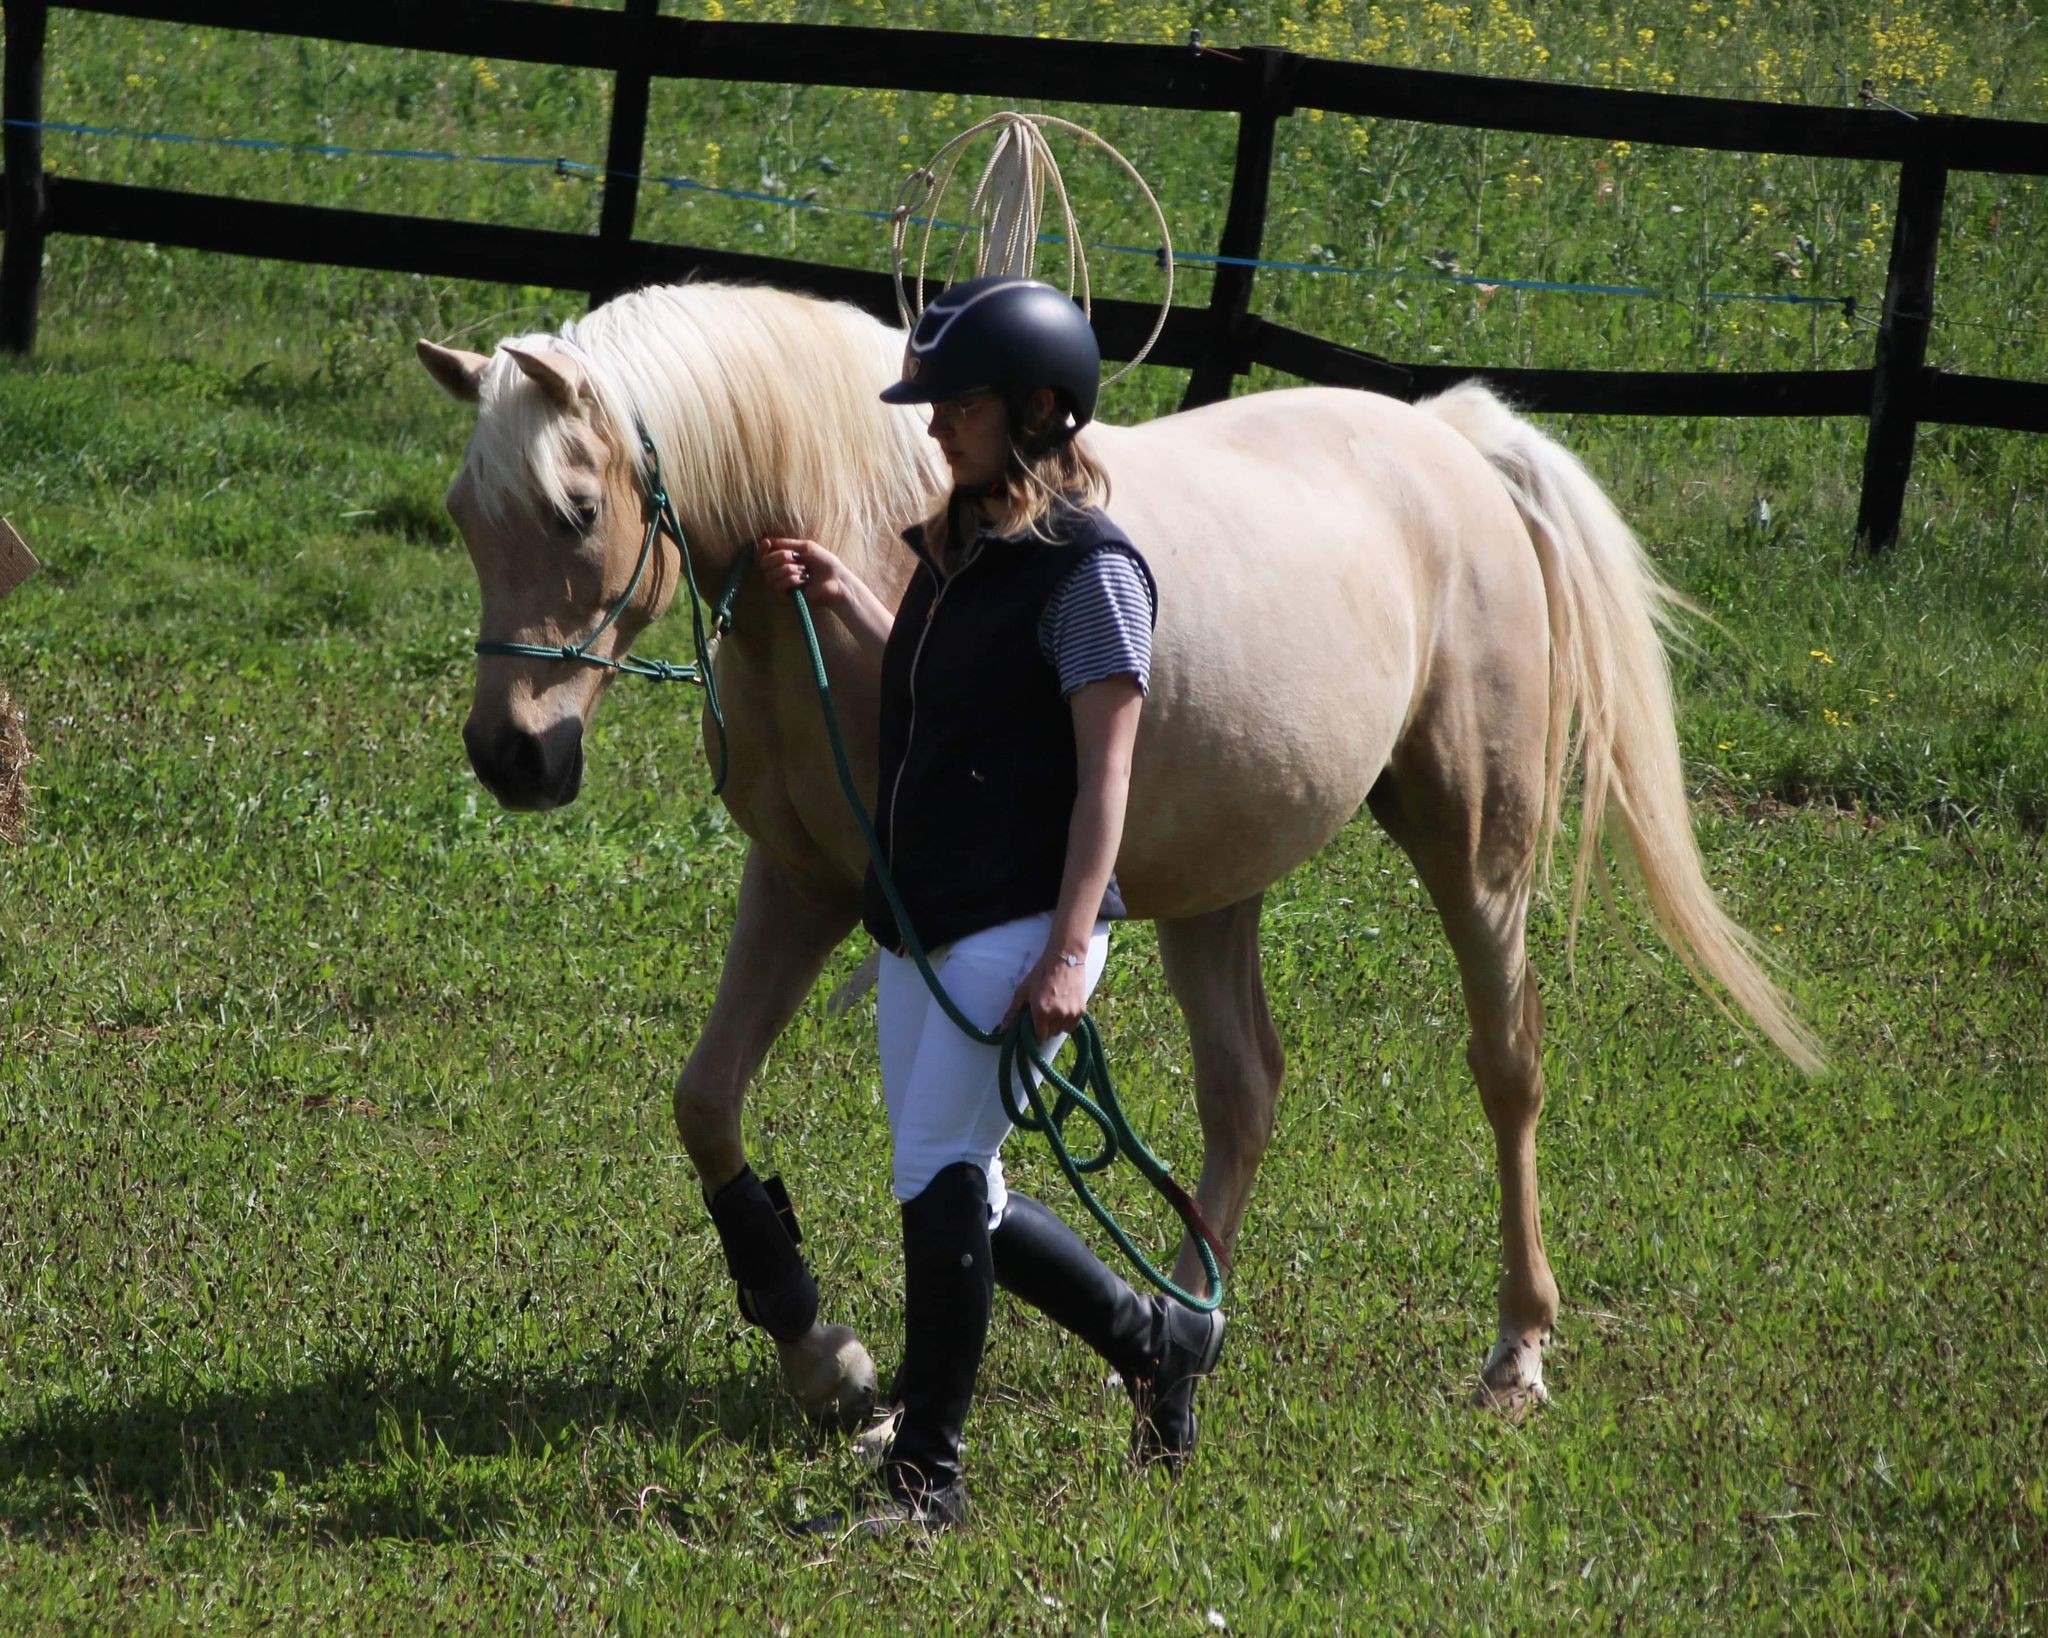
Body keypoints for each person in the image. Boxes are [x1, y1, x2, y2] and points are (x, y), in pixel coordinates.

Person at [753, 277, 1226, 1533]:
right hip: (926, 915)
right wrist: (843, 597)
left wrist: (1071, 950)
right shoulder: (962, 548)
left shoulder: (1092, 577)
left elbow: (1105, 779)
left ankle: (931, 1479)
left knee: (941, 1174)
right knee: (966, 1187)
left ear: (1035, 409)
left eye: (953, 405)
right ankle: (1151, 1344)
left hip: (1022, 919)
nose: (930, 427)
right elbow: (934, 678)